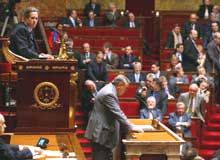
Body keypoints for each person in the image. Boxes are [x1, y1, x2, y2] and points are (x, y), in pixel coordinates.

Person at [85, 74, 143, 160]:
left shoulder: (110, 89)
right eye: (125, 88)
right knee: (101, 156)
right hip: (101, 134)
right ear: (119, 85)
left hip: (103, 132)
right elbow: (118, 112)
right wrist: (131, 126)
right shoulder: (109, 93)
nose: (125, 90)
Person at [206, 32, 220, 105]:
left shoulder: (218, 45)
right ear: (215, 38)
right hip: (212, 70)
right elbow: (212, 58)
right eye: (219, 38)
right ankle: (214, 102)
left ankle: (217, 101)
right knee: (215, 86)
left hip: (218, 69)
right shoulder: (210, 45)